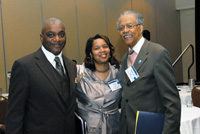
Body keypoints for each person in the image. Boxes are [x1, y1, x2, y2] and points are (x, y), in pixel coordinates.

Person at [6, 18, 77, 134]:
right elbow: (15, 115)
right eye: (51, 35)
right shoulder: (25, 66)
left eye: (61, 34)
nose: (57, 39)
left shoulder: (71, 65)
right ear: (41, 37)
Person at [117, 10, 181, 134]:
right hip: (131, 128)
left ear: (140, 28)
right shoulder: (125, 58)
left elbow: (172, 102)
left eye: (130, 26)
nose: (125, 31)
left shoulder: (157, 53)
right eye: (121, 28)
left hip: (153, 128)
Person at [76, 34, 122, 134]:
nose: (102, 50)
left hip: (114, 129)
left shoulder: (118, 72)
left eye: (105, 46)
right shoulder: (79, 72)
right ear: (90, 54)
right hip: (88, 129)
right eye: (96, 48)